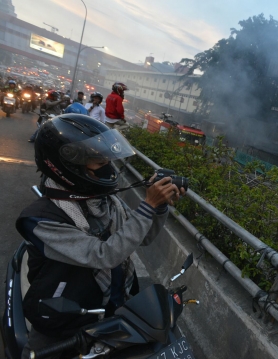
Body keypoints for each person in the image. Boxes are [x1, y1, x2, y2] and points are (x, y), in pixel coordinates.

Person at [17, 114, 184, 357]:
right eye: (98, 162)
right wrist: (147, 206)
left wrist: (158, 208)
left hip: (113, 311)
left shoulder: (107, 201)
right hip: (63, 324)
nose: (107, 167)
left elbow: (141, 236)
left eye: (107, 159)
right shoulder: (41, 219)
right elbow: (103, 255)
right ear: (68, 166)